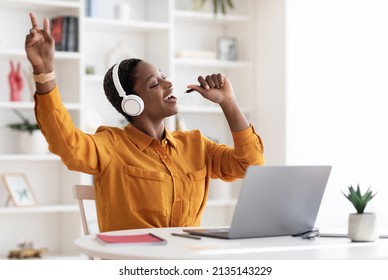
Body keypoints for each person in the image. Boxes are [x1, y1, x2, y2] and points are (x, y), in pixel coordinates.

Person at [25, 13, 265, 232]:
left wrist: (228, 102)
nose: (169, 84)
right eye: (154, 83)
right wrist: (44, 71)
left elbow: (250, 165)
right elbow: (65, 143)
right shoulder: (110, 145)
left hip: (185, 263)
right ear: (132, 103)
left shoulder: (196, 144)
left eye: (164, 77)